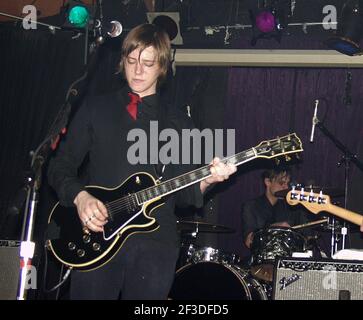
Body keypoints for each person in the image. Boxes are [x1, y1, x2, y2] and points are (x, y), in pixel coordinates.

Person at [47, 23, 236, 300]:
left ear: (161, 68)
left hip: (156, 241)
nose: (137, 70)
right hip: (97, 235)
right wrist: (80, 197)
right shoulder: (96, 108)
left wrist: (208, 179)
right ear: (122, 61)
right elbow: (59, 166)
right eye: (132, 61)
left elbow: (184, 195)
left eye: (147, 63)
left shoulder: (178, 122)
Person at [241, 166, 308, 249]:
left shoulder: (292, 208)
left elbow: (305, 237)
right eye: (282, 183)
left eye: (287, 183)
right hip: (262, 259)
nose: (286, 187)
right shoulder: (251, 206)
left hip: (286, 258)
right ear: (268, 182)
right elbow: (249, 241)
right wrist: (274, 229)